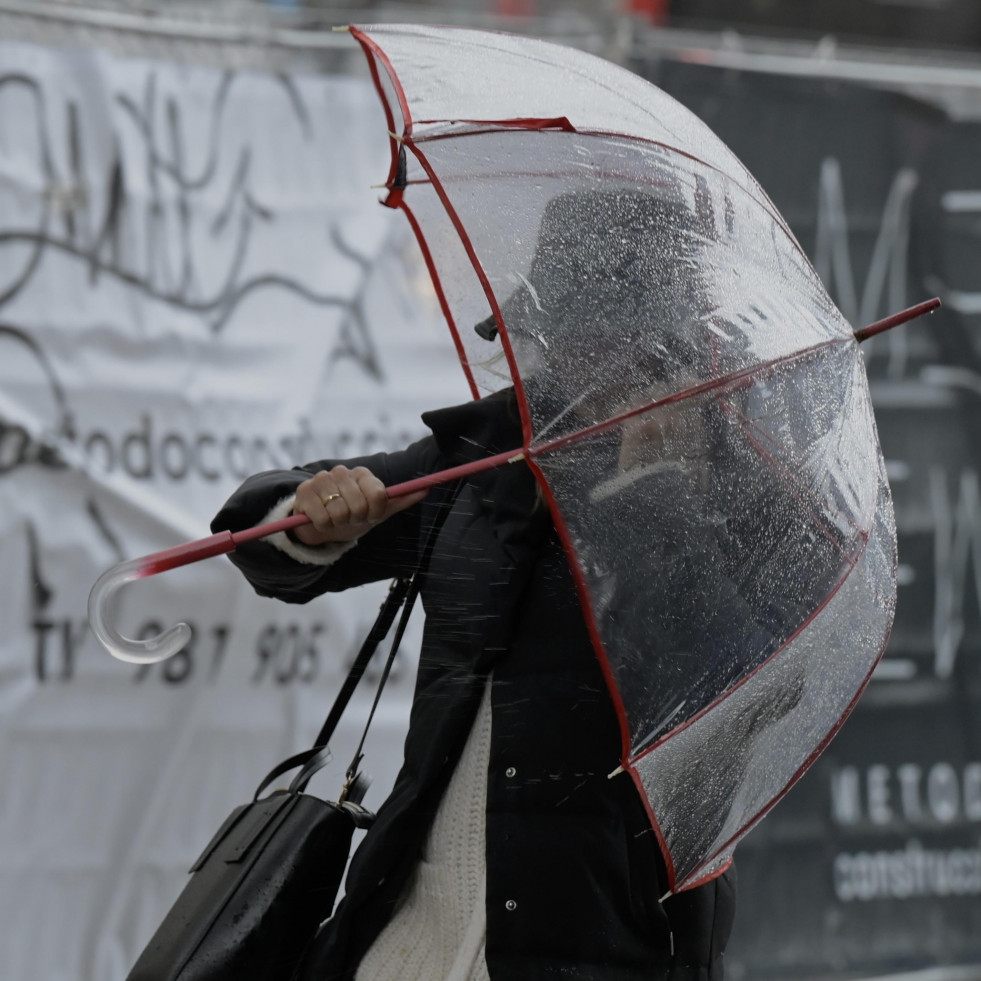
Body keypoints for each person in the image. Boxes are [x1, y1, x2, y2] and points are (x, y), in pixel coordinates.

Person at [211, 387, 737, 981]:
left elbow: (744, 692)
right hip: (408, 939)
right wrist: (314, 517)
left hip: (613, 941)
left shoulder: (738, 483)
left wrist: (653, 492)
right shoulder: (490, 449)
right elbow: (260, 540)